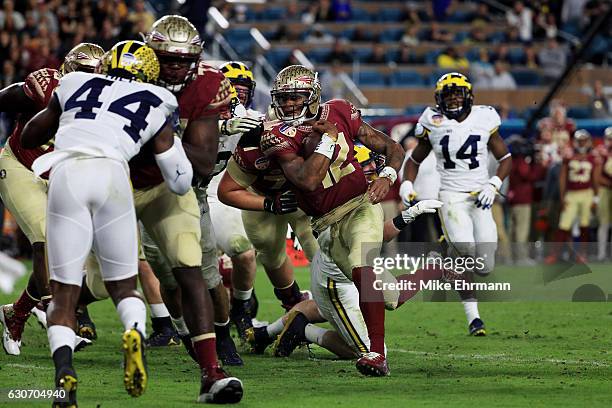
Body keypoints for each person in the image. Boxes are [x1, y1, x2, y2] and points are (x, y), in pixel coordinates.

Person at [20, 40, 192, 406]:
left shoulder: (73, 83)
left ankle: (64, 376)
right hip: (113, 174)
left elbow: (29, 136)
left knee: (64, 294)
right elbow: (179, 180)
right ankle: (135, 332)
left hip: (67, 173)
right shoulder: (157, 98)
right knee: (125, 286)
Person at [259, 64, 405, 375]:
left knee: (362, 265)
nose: (287, 105)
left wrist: (387, 176)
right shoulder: (276, 133)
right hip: (324, 224)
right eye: (283, 99)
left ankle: (377, 355)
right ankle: (310, 330)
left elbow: (393, 147)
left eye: (295, 98)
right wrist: (328, 140)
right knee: (381, 292)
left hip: (360, 205)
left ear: (312, 97)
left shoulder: (339, 110)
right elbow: (308, 180)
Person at [133, 15, 244, 402]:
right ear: (150, 54)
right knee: (122, 278)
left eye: (184, 60)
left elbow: (200, 159)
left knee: (192, 269)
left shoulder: (208, 85)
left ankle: (212, 367)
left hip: (174, 188)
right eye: (167, 59)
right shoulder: (129, 72)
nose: (177, 67)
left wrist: (151, 135)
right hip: (121, 184)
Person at [0, 43, 103, 356]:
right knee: (46, 238)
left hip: (62, 177)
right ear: (69, 68)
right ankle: (57, 316)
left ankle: (17, 313)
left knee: (69, 254)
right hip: (20, 166)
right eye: (86, 72)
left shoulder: (107, 102)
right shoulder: (45, 87)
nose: (91, 79)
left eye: (97, 73)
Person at [400, 73, 512, 336]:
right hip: (451, 196)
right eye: (447, 94)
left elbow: (505, 157)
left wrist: (494, 184)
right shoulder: (432, 121)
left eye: (457, 94)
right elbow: (414, 160)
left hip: (481, 195)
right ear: (439, 99)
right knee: (464, 248)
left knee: (485, 267)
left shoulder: (484, 117)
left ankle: (444, 261)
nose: (452, 99)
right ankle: (474, 318)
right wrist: (407, 183)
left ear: (468, 96)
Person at [545, 130, 601, 264]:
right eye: (579, 140)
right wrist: (563, 196)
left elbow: (595, 178)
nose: (581, 143)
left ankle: (582, 254)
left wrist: (596, 197)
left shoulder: (593, 157)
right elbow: (562, 177)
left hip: (587, 193)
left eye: (583, 140)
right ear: (575, 141)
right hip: (572, 193)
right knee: (564, 224)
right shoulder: (569, 156)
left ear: (587, 141)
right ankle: (555, 254)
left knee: (584, 224)